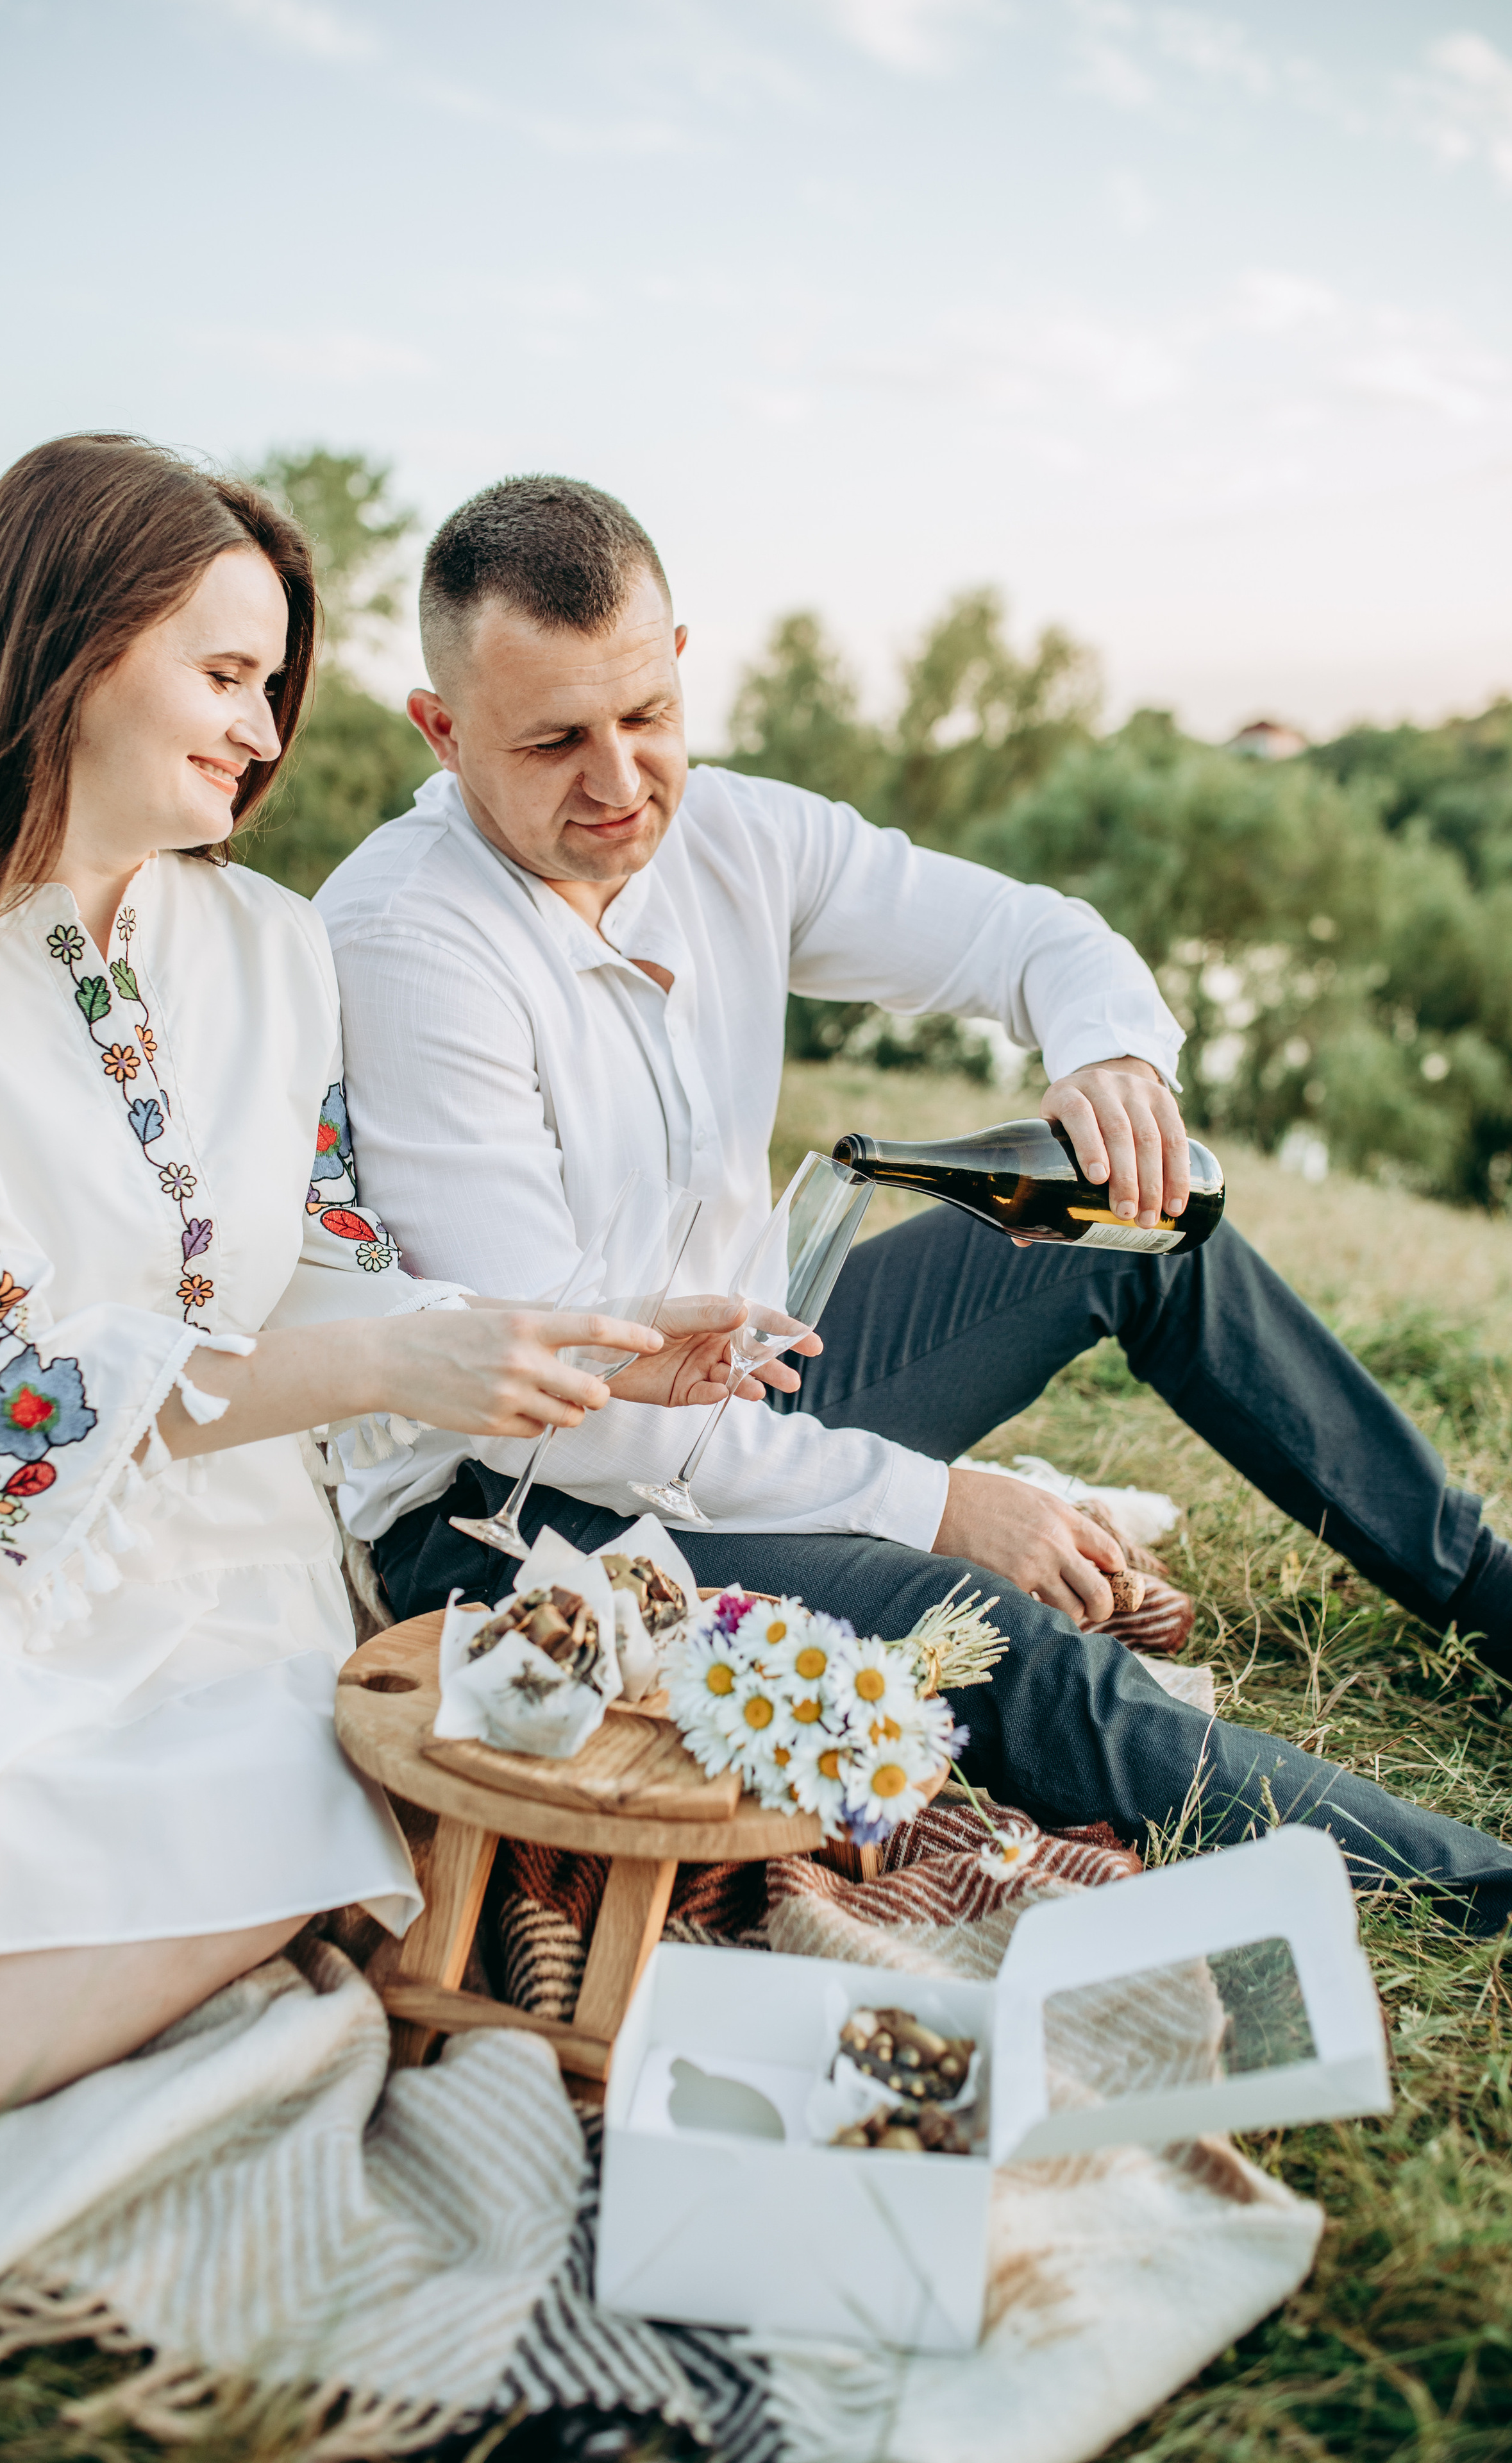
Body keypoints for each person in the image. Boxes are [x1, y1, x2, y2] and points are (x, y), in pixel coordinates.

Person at [317, 473, 1512, 1932]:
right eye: (554, 741)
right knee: (993, 1631)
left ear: (681, 663)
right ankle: (1473, 1892)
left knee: (1121, 1216)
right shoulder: (405, 941)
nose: (621, 781)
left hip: (748, 1390)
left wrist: (1110, 1051)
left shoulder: (734, 841)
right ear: (441, 734)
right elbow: (562, 1392)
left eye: (644, 717)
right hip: (527, 1511)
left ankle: (1482, 1597)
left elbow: (1029, 935)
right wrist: (935, 1505)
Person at [0, 437, 766, 2154]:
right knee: (21, 1794)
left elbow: (347, 1273)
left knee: (309, 1796)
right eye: (224, 675)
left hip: (252, 1570)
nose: (265, 734)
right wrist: (395, 1354)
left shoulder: (279, 947)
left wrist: (608, 1343)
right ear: (69, 650)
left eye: (274, 685)